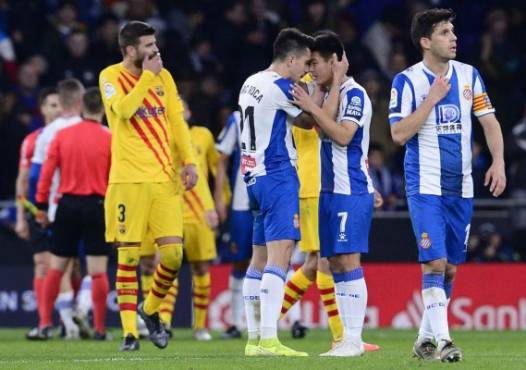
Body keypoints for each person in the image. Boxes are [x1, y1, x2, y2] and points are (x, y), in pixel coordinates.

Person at [388, 9, 506, 362]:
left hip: (461, 187)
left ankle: (424, 339)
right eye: (443, 32)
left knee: (451, 267)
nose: (453, 37)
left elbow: (490, 122)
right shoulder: (406, 81)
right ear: (425, 41)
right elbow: (398, 134)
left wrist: (498, 161)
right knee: (435, 263)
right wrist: (432, 99)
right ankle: (443, 342)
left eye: (453, 31)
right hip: (424, 186)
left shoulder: (469, 75)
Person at [99, 21, 198, 352]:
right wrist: (146, 78)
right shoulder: (109, 77)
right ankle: (130, 332)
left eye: (155, 43)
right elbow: (124, 111)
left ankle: (150, 309)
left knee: (172, 255)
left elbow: (176, 121)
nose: (155, 50)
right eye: (148, 45)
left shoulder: (165, 77)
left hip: (165, 178)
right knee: (128, 259)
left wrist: (190, 162)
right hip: (127, 181)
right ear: (130, 50)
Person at [282, 32, 381, 352]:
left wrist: (314, 101)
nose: (310, 70)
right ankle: (346, 340)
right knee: (334, 263)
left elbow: (341, 135)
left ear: (335, 62)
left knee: (348, 261)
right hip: (329, 191)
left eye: (315, 63)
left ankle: (352, 338)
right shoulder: (327, 93)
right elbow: (307, 123)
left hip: (349, 189)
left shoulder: (355, 95)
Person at [239, 27, 315, 357]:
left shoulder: (252, 82)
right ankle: (270, 339)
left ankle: (254, 340)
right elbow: (311, 122)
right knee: (280, 255)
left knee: (258, 259)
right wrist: (313, 96)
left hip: (252, 177)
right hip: (278, 175)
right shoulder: (284, 86)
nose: (308, 71)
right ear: (292, 59)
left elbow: (289, 120)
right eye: (306, 64)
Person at [35, 87, 112, 340]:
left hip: (66, 206)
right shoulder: (110, 137)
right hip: (96, 206)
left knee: (56, 268)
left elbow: (46, 173)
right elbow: (115, 178)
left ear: (81, 107)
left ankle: (45, 324)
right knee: (98, 270)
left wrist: (42, 206)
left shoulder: (63, 135)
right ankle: (99, 328)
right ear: (102, 109)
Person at [29, 79, 85, 339]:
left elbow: (36, 175)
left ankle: (66, 321)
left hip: (57, 206)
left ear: (60, 102)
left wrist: (39, 205)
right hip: (91, 202)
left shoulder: (47, 135)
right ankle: (73, 317)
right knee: (79, 264)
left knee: (60, 263)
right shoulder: (91, 127)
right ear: (80, 100)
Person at [15, 88, 61, 340]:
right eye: (50, 105)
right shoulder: (32, 141)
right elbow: (22, 182)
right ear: (42, 109)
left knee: (72, 268)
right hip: (39, 211)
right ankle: (44, 322)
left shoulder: (68, 136)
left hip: (65, 209)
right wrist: (22, 217)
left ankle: (69, 321)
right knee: (42, 264)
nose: (55, 109)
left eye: (58, 105)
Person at [215, 111, 254, 339]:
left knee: (275, 257)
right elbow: (222, 157)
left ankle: (264, 322)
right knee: (240, 260)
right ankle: (236, 322)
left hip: (271, 199)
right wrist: (219, 196)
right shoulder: (238, 118)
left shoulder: (282, 108)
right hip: (242, 200)